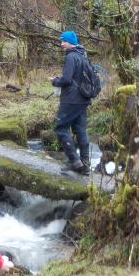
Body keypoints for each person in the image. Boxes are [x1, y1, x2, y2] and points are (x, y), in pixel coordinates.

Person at [50, 30, 91, 174]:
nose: (61, 44)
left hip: (71, 100)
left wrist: (55, 81)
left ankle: (74, 160)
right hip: (83, 99)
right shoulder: (83, 55)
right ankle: (85, 165)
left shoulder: (71, 57)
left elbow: (67, 80)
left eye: (63, 41)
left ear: (70, 42)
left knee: (60, 128)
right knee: (80, 130)